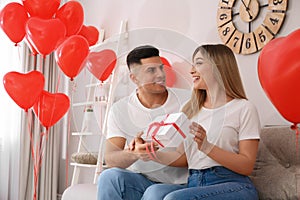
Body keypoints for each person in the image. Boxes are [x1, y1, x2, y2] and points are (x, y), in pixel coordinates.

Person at [144, 44, 261, 199]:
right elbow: (182, 156)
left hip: (232, 184)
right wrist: (151, 153)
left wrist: (207, 147)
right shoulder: (190, 110)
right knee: (154, 192)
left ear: (219, 67)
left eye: (198, 63)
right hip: (194, 182)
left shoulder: (243, 108)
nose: (192, 70)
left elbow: (247, 165)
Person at [97, 45, 191, 200]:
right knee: (108, 177)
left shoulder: (188, 101)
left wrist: (155, 155)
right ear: (134, 78)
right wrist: (134, 153)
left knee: (153, 193)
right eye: (151, 70)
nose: (161, 75)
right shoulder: (120, 109)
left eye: (161, 68)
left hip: (180, 183)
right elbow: (111, 158)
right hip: (141, 180)